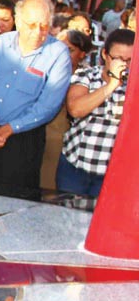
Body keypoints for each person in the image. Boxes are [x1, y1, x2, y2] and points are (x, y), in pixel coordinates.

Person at [0, 0, 72, 189]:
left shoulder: (58, 53)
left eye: (44, 26)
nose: (38, 32)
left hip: (23, 140)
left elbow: (48, 106)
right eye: (31, 25)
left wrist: (7, 130)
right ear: (17, 21)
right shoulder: (1, 44)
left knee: (14, 202)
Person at [57, 29, 134, 197]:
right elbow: (76, 109)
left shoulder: (134, 87)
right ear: (105, 54)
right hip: (75, 168)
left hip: (111, 175)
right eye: (118, 58)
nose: (124, 65)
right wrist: (111, 85)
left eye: (129, 60)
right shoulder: (86, 75)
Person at [40, 29, 93, 190]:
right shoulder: (43, 69)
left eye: (70, 49)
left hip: (68, 142)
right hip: (41, 137)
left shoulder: (88, 77)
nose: (62, 52)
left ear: (82, 53)